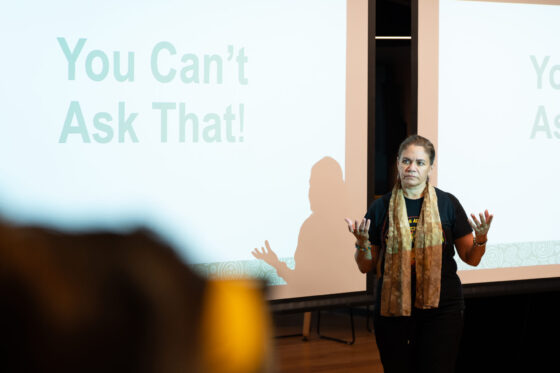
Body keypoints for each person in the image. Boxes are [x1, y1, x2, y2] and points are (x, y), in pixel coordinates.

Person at [344, 135, 493, 373]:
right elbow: (365, 266)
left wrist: (481, 239)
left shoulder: (447, 203)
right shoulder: (380, 207)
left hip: (442, 310)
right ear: (397, 163)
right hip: (393, 312)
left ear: (430, 168)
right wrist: (362, 244)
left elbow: (472, 259)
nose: (411, 167)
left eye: (420, 162)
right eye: (406, 161)